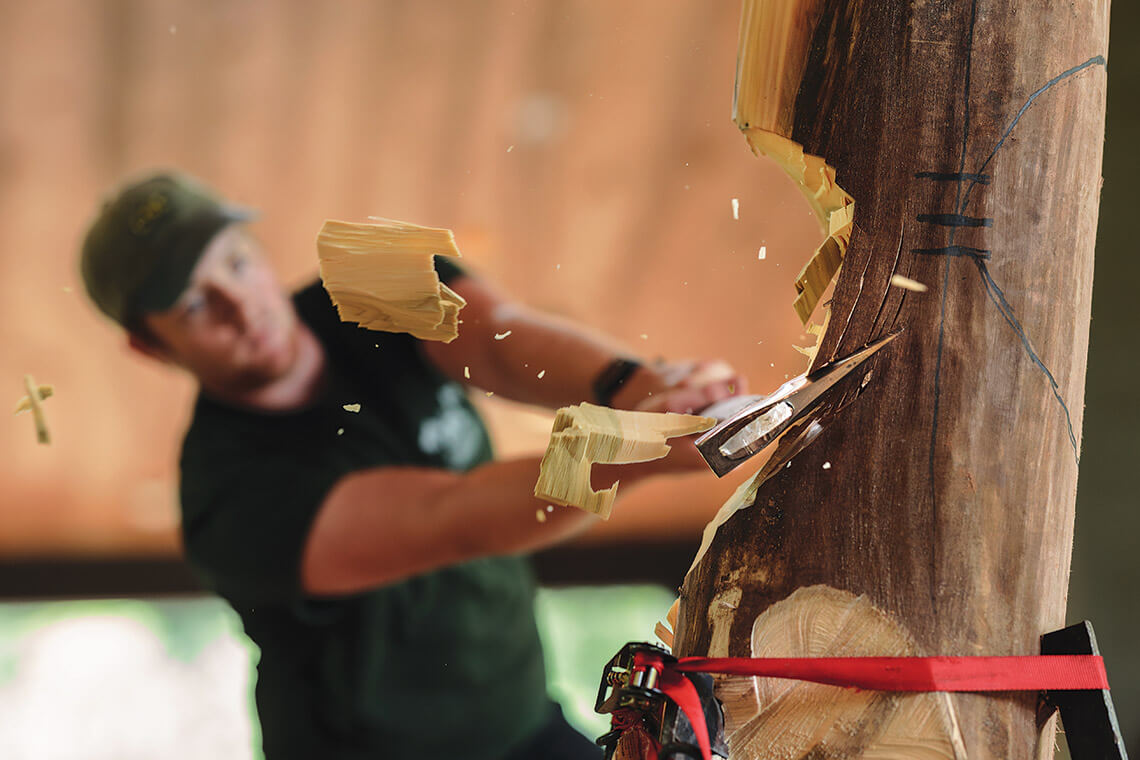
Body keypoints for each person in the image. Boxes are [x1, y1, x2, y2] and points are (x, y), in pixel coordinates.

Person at [79, 171, 747, 760]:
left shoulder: (376, 279)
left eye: (236, 262)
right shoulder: (228, 502)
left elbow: (499, 341)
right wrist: (634, 447)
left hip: (519, 722)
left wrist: (636, 387)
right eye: (195, 304)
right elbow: (451, 518)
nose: (240, 304)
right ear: (150, 347)